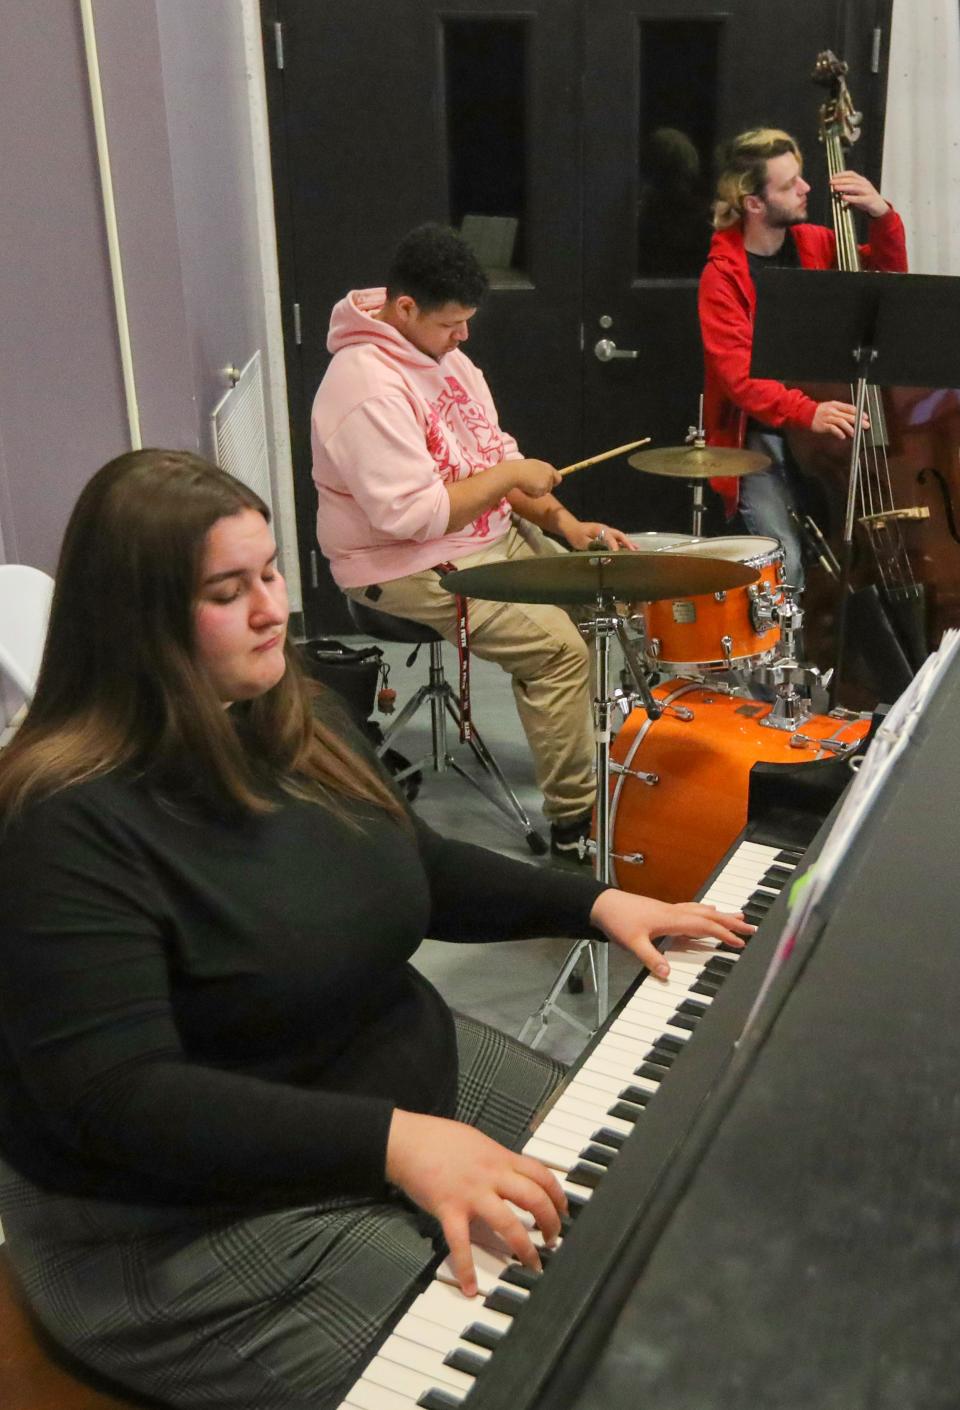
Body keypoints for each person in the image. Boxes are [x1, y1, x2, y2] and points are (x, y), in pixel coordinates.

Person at [0, 449, 751, 1410]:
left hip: (366, 1071)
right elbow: (118, 1101)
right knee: (517, 1360)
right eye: (228, 592)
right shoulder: (59, 824)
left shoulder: (289, 717)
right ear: (136, 624)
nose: (275, 609)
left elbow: (412, 868)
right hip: (171, 1220)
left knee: (636, 1203)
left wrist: (594, 903)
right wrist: (397, 1145)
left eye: (270, 572)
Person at [311, 223, 636, 861]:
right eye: (451, 324)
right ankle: (576, 824)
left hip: (481, 535)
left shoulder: (442, 355)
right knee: (559, 654)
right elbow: (417, 514)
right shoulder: (363, 387)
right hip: (406, 559)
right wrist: (511, 476)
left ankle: (608, 768)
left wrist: (566, 527)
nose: (464, 337)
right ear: (404, 308)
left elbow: (490, 458)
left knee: (605, 598)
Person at [698, 128, 908, 591]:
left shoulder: (814, 242)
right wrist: (806, 411)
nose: (806, 188)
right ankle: (781, 661)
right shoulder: (721, 277)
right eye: (789, 183)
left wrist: (881, 215)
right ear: (754, 203)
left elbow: (886, 284)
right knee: (784, 563)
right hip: (764, 434)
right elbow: (740, 379)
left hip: (826, 429)